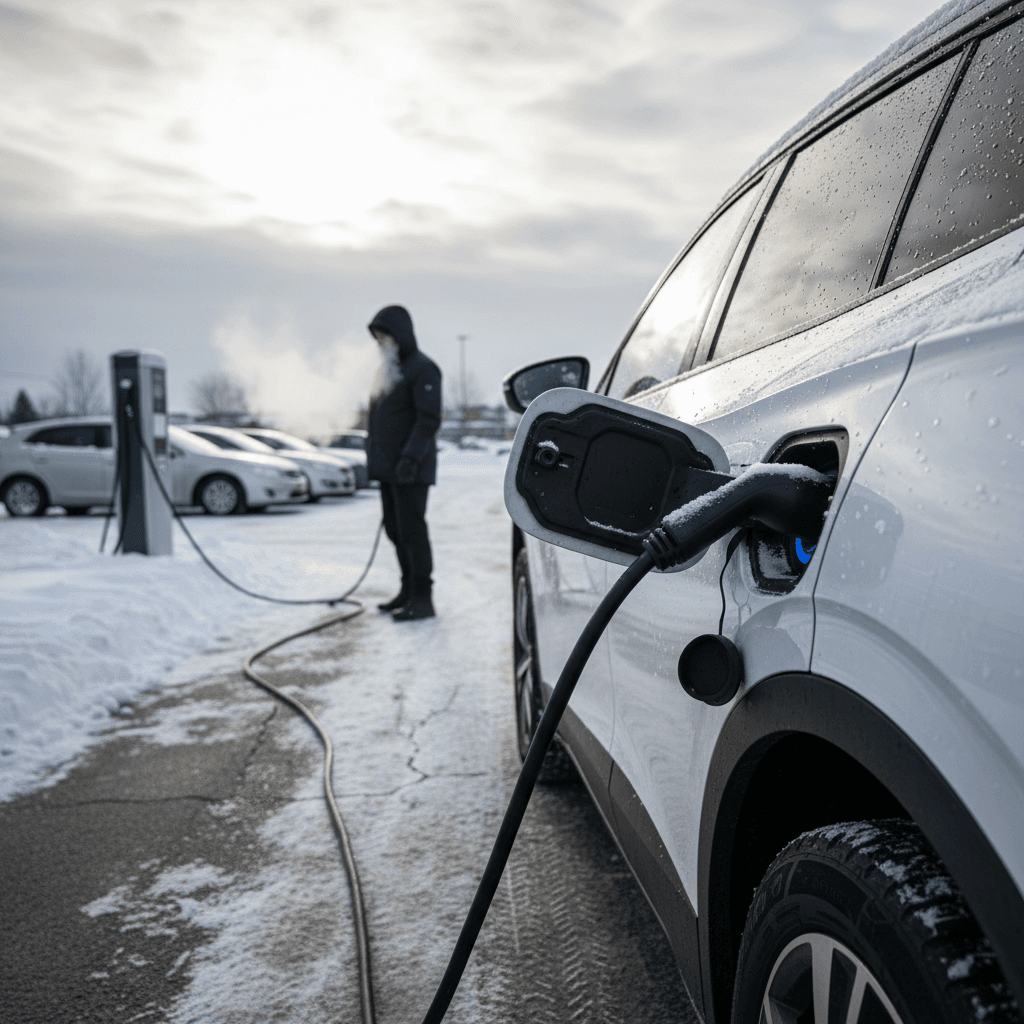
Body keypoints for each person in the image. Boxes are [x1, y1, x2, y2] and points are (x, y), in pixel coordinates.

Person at [366, 305, 442, 621]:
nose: (381, 343)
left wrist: (411, 457)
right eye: (378, 338)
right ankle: (407, 590)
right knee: (396, 532)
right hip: (388, 469)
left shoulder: (423, 369)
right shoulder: (386, 371)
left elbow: (428, 419)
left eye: (386, 336)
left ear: (401, 335)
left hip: (412, 467)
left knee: (412, 533)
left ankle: (423, 598)